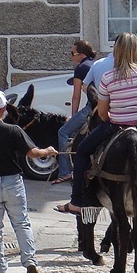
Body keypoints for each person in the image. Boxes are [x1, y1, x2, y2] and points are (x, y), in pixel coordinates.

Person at [55, 32, 137, 234]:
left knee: (83, 151)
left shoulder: (108, 77)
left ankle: (77, 201)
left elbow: (103, 113)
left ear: (117, 52)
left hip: (118, 125)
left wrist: (120, 115)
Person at [0, 89, 58, 273]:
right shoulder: (13, 130)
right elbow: (33, 153)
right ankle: (29, 261)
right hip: (12, 182)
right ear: (4, 109)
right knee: (21, 223)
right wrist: (47, 151)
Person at [53, 40, 96, 184]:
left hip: (91, 107)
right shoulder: (95, 64)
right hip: (102, 105)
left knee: (63, 132)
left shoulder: (80, 68)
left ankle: (65, 172)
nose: (71, 56)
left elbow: (76, 96)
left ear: (81, 54)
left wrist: (73, 116)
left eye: (73, 53)